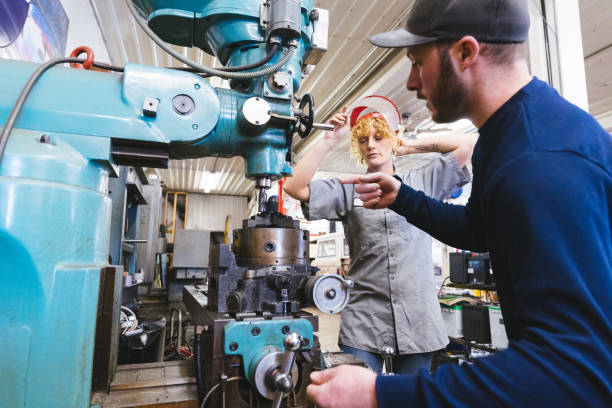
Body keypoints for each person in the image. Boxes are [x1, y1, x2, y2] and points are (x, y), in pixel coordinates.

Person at [306, 0, 612, 407]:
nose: (412, 83)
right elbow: (479, 229)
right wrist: (405, 198)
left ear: (466, 53)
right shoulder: (501, 139)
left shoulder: (539, 159)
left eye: (416, 62)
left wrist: (382, 393)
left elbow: (572, 368)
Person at [284, 101, 476, 374]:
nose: (371, 145)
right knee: (358, 397)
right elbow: (294, 186)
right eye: (363, 140)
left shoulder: (423, 181)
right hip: (364, 321)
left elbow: (467, 142)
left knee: (410, 400)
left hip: (418, 320)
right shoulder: (350, 190)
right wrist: (328, 139)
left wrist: (407, 143)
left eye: (379, 136)